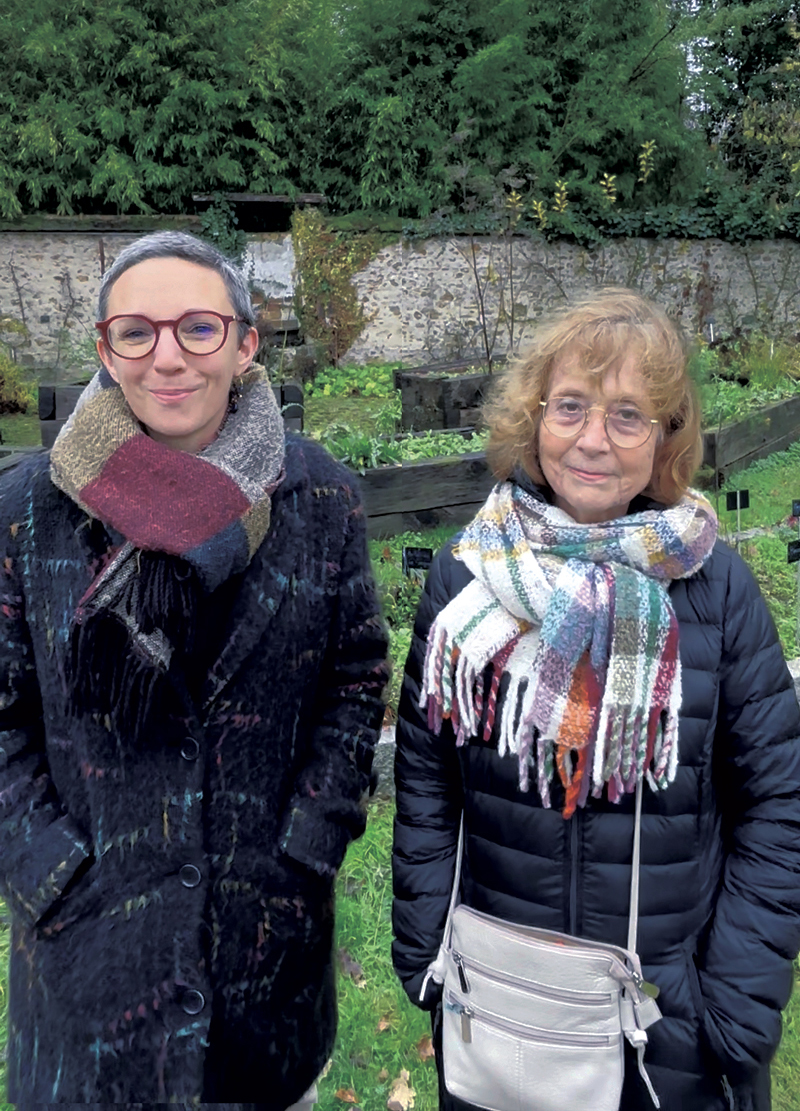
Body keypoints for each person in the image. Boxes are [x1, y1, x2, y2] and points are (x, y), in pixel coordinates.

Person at [0, 231, 389, 1109]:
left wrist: (309, 845)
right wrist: (51, 874)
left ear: (246, 344)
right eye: (136, 332)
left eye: (198, 329)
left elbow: (357, 674)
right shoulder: (30, 510)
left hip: (265, 968)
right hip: (88, 972)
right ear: (105, 349)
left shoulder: (316, 495)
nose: (167, 356)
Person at [391, 289, 800, 1111]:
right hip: (500, 1009)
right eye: (570, 405)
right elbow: (427, 774)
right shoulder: (468, 574)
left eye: (628, 416)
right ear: (535, 416)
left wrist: (732, 1006)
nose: (592, 439)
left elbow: (777, 804)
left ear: (665, 439)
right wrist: (428, 944)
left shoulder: (716, 591)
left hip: (667, 1028)